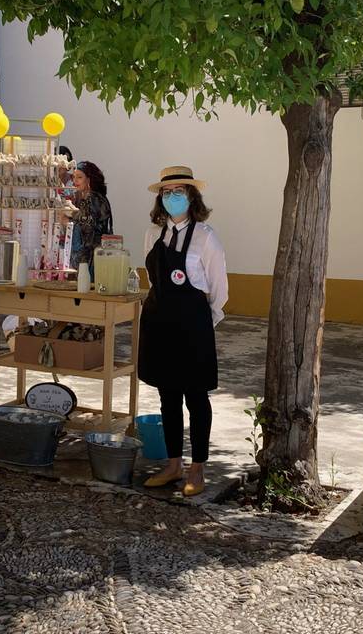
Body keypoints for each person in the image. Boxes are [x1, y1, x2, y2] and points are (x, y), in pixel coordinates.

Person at [138, 166, 228, 497]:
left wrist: (204, 323)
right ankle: (173, 464)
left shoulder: (207, 238)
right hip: (160, 324)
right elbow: (153, 280)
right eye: (167, 192)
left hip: (192, 327)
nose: (173, 197)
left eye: (180, 191)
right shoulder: (153, 234)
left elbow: (219, 290)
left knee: (196, 397)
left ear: (192, 197)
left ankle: (197, 469)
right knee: (168, 396)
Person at [65, 161, 113, 271]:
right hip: (96, 256)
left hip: (93, 259)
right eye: (74, 177)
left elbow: (88, 226)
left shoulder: (93, 198)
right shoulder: (90, 198)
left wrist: (68, 221)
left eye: (79, 177)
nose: (75, 181)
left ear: (89, 180)